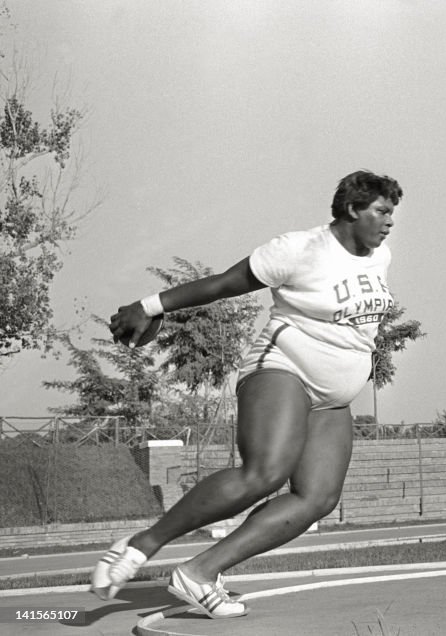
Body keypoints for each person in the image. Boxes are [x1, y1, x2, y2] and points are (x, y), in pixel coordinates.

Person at [91, 170, 402, 619]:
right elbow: (222, 284)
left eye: (392, 213)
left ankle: (199, 572)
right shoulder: (299, 250)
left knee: (317, 498)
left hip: (334, 399)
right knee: (265, 473)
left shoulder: (380, 256)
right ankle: (142, 545)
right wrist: (150, 305)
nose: (390, 222)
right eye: (382, 211)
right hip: (283, 370)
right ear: (353, 209)